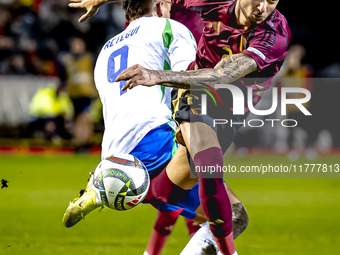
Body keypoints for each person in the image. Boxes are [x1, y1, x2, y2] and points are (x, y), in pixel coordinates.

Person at [64, 0, 249, 254]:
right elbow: (188, 82)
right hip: (154, 140)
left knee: (180, 205)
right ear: (160, 5)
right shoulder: (169, 28)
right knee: (233, 215)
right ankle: (106, 189)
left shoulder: (106, 50)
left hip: (112, 154)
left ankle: (104, 185)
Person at [116, 0, 291, 254]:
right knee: (210, 165)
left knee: (163, 193)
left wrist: (157, 76)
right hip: (195, 94)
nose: (263, 7)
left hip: (229, 115)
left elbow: (221, 75)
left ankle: (102, 190)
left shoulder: (274, 35)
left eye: (272, 1)